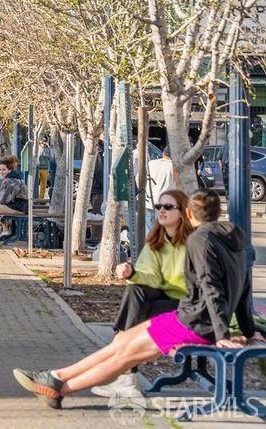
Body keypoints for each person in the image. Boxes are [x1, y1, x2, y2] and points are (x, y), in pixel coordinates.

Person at [13, 188, 255, 409]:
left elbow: (211, 288)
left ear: (189, 212)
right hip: (187, 317)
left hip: (194, 324)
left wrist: (222, 336)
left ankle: (59, 386)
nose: (162, 210)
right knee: (122, 342)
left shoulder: (198, 240)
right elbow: (244, 289)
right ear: (219, 212)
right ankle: (55, 378)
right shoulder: (237, 242)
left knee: (126, 354)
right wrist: (249, 329)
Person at [92, 188, 193, 398]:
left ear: (182, 212)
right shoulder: (157, 240)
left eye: (168, 207)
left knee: (138, 309)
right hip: (165, 301)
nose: (161, 211)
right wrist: (133, 272)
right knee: (135, 291)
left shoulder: (193, 243)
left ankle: (126, 370)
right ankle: (127, 376)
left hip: (188, 305)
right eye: (159, 207)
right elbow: (152, 278)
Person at [145, 148, 176, 212]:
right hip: (167, 204)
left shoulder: (150, 163)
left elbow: (138, 179)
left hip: (149, 202)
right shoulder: (174, 167)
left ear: (163, 153)